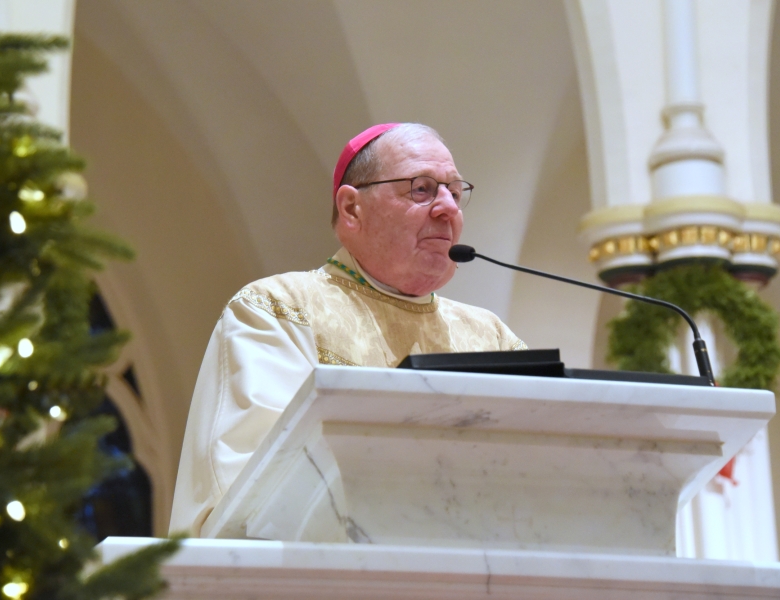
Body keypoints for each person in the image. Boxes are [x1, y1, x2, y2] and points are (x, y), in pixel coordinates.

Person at [169, 123, 526, 536]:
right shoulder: (279, 310)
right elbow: (260, 486)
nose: (448, 207)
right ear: (352, 208)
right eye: (422, 189)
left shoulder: (491, 336)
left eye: (455, 191)